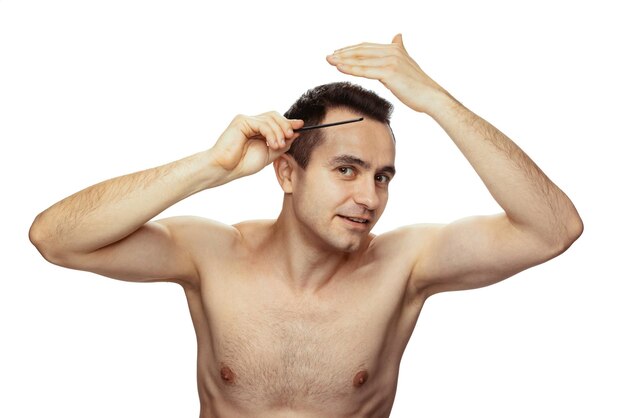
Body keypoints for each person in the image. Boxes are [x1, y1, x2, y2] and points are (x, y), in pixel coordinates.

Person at [29, 34, 583, 418]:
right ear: (287, 174)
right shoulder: (211, 254)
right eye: (347, 170)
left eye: (383, 177)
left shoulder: (405, 266)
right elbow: (55, 239)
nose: (369, 198)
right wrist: (209, 167)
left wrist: (436, 102)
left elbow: (552, 230)